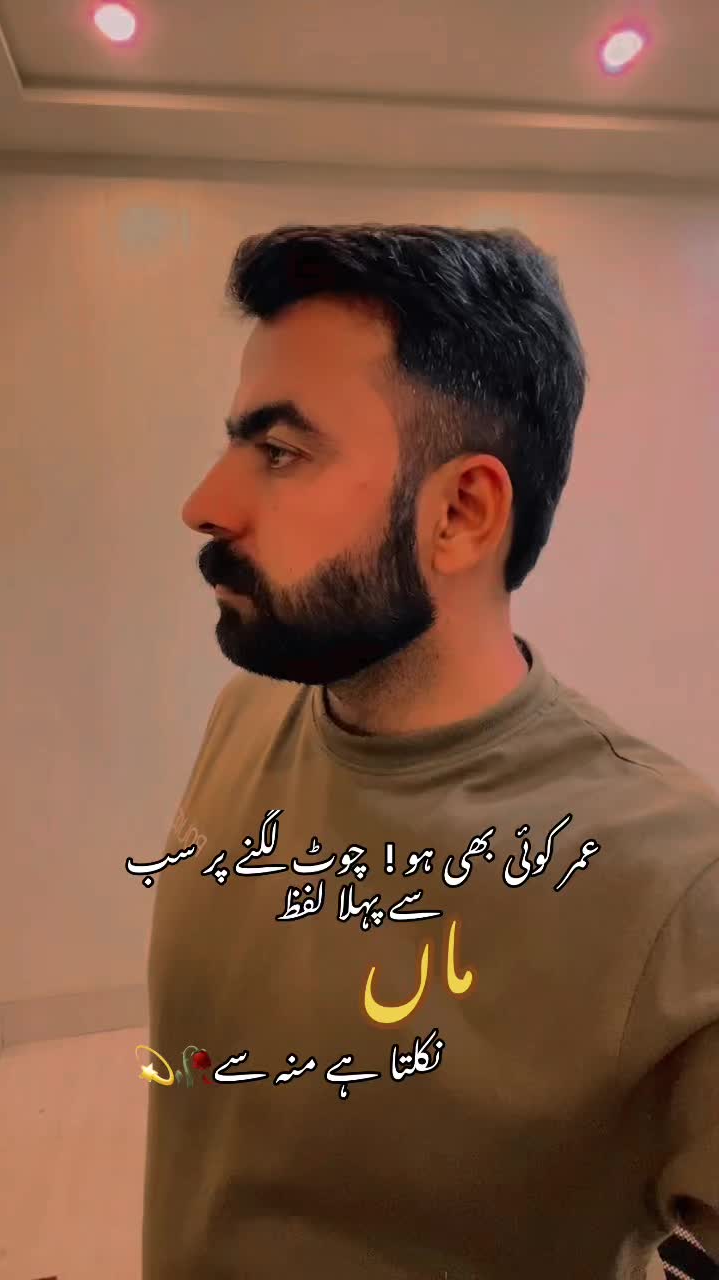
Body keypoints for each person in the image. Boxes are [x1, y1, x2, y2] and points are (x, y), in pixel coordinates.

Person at [142, 224, 719, 1280]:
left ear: (460, 512)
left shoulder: (678, 881)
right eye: (235, 443)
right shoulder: (244, 719)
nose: (205, 505)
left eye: (280, 451)